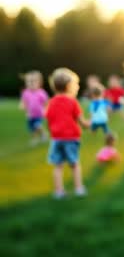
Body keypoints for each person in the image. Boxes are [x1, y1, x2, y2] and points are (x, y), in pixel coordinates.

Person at [45, 68, 90, 199]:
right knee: (74, 164)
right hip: (71, 138)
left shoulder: (51, 102)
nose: (77, 88)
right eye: (76, 85)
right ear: (69, 86)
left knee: (58, 166)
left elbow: (49, 118)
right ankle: (79, 189)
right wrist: (91, 123)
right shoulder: (72, 102)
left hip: (56, 138)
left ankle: (58, 192)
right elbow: (83, 122)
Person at [19, 70, 49, 146]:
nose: (31, 83)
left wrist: (45, 110)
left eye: (33, 81)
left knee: (37, 125)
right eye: (29, 81)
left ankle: (43, 134)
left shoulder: (41, 92)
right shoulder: (25, 92)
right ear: (26, 83)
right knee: (31, 129)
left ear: (39, 83)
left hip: (39, 114)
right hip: (30, 114)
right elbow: (24, 101)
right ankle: (36, 138)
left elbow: (46, 103)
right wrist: (22, 105)